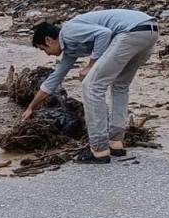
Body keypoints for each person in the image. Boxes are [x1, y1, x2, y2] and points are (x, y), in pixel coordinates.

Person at [25, 9, 158, 163]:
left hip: (130, 31)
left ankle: (99, 149)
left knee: (92, 85)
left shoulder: (69, 31)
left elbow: (104, 34)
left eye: (44, 49)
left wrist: (91, 65)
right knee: (120, 85)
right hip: (149, 29)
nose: (47, 54)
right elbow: (54, 79)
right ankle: (116, 142)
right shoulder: (70, 48)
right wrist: (31, 107)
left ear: (49, 40)